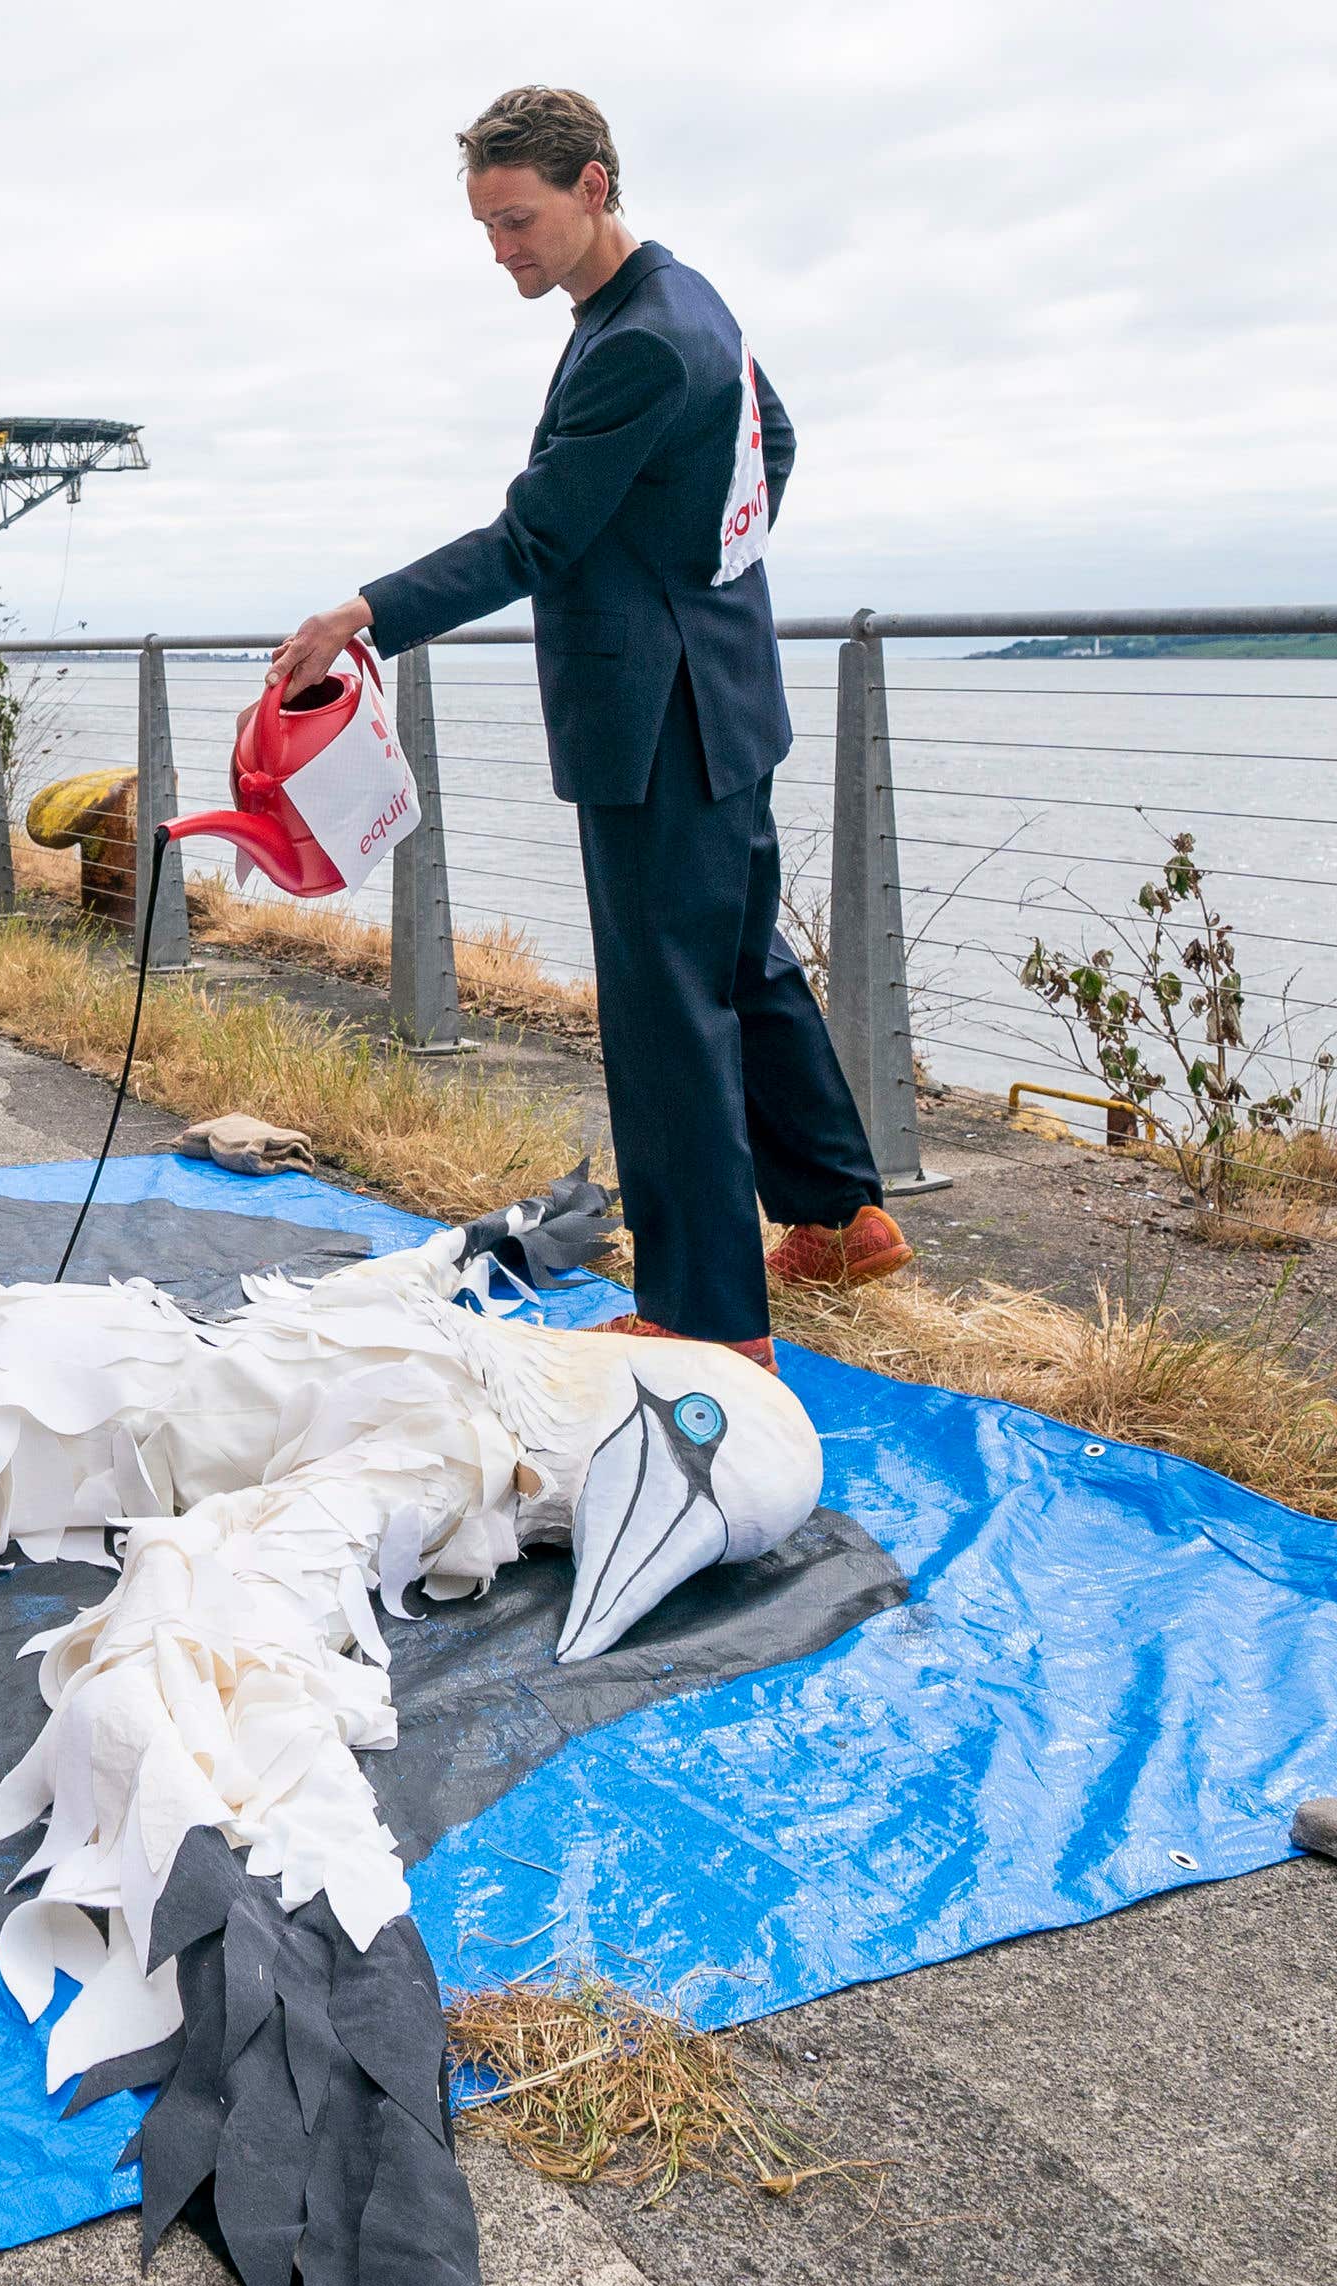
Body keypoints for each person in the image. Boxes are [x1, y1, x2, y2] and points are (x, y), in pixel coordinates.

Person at [269, 89, 911, 1369]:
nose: (502, 249)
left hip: (658, 717)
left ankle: (710, 1316)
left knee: (665, 1014)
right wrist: (697, 566)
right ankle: (841, 1216)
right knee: (741, 969)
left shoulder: (639, 341)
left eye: (519, 220)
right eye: (486, 227)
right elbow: (769, 438)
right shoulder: (685, 301)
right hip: (720, 687)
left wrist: (362, 613)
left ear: (594, 186)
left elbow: (533, 535)